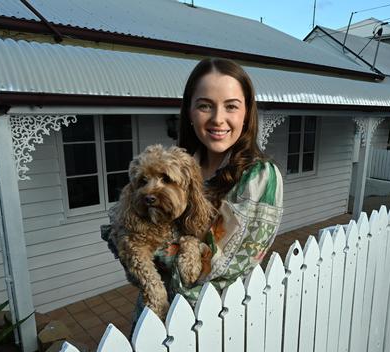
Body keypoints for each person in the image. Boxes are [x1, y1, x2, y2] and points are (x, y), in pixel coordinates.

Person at [104, 58, 283, 320]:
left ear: (247, 113)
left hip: (211, 318)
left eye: (231, 106)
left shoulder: (260, 178)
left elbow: (218, 273)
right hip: (151, 318)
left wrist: (144, 249)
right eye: (204, 106)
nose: (218, 119)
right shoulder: (182, 164)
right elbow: (131, 252)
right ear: (189, 111)